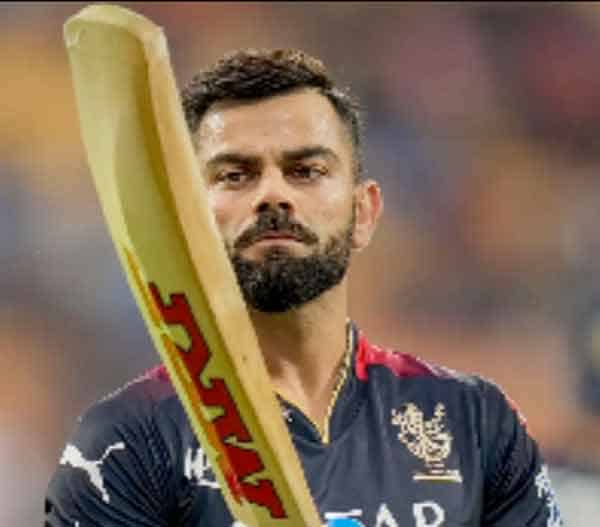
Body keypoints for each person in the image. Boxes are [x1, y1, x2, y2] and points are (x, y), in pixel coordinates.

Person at [45, 49, 563, 527]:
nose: (273, 194)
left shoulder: (473, 421)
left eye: (306, 171)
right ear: (187, 220)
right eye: (236, 175)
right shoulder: (128, 440)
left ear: (364, 212)